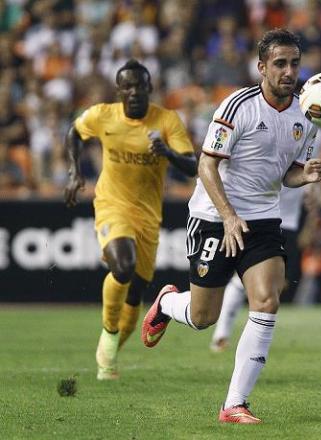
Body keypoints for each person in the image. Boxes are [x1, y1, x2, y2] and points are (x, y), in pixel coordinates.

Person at [140, 29, 321, 424]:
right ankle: (168, 303)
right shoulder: (237, 105)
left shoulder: (308, 116)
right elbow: (207, 165)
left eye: (294, 63)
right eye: (280, 64)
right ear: (261, 67)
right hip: (213, 217)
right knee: (202, 316)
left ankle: (234, 404)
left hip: (262, 219)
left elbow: (287, 174)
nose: (289, 71)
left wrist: (305, 174)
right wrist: (228, 216)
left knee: (267, 300)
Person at [64, 59, 197, 380]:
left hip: (148, 216)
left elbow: (192, 166)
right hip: (112, 205)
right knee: (122, 267)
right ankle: (108, 333)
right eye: (128, 86)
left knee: (135, 295)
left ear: (150, 88)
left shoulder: (166, 121)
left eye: (140, 86)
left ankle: (108, 355)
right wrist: (74, 170)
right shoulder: (102, 115)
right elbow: (74, 133)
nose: (135, 92)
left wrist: (166, 152)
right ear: (119, 90)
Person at [208, 184, 309, 352]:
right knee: (248, 283)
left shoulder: (302, 160)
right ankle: (222, 335)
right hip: (265, 223)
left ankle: (230, 336)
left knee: (277, 285)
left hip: (289, 226)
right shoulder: (271, 161)